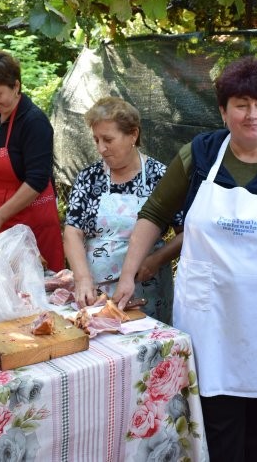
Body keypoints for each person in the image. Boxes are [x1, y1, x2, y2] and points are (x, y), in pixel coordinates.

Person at [114, 57, 257, 461]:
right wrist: (127, 276)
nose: (252, 115)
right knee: (218, 434)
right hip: (211, 323)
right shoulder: (199, 158)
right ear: (224, 111)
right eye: (241, 104)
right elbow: (153, 215)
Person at [63, 96, 183, 323]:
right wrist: (82, 278)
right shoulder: (90, 177)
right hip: (96, 293)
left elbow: (186, 233)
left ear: (133, 135)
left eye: (108, 139)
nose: (101, 148)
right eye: (96, 140)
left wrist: (156, 260)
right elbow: (72, 232)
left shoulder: (160, 176)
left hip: (147, 291)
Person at [0, 51, 64, 271]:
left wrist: (0, 215)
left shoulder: (34, 122)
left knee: (35, 286)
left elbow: (37, 181)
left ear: (16, 86)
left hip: (33, 219)